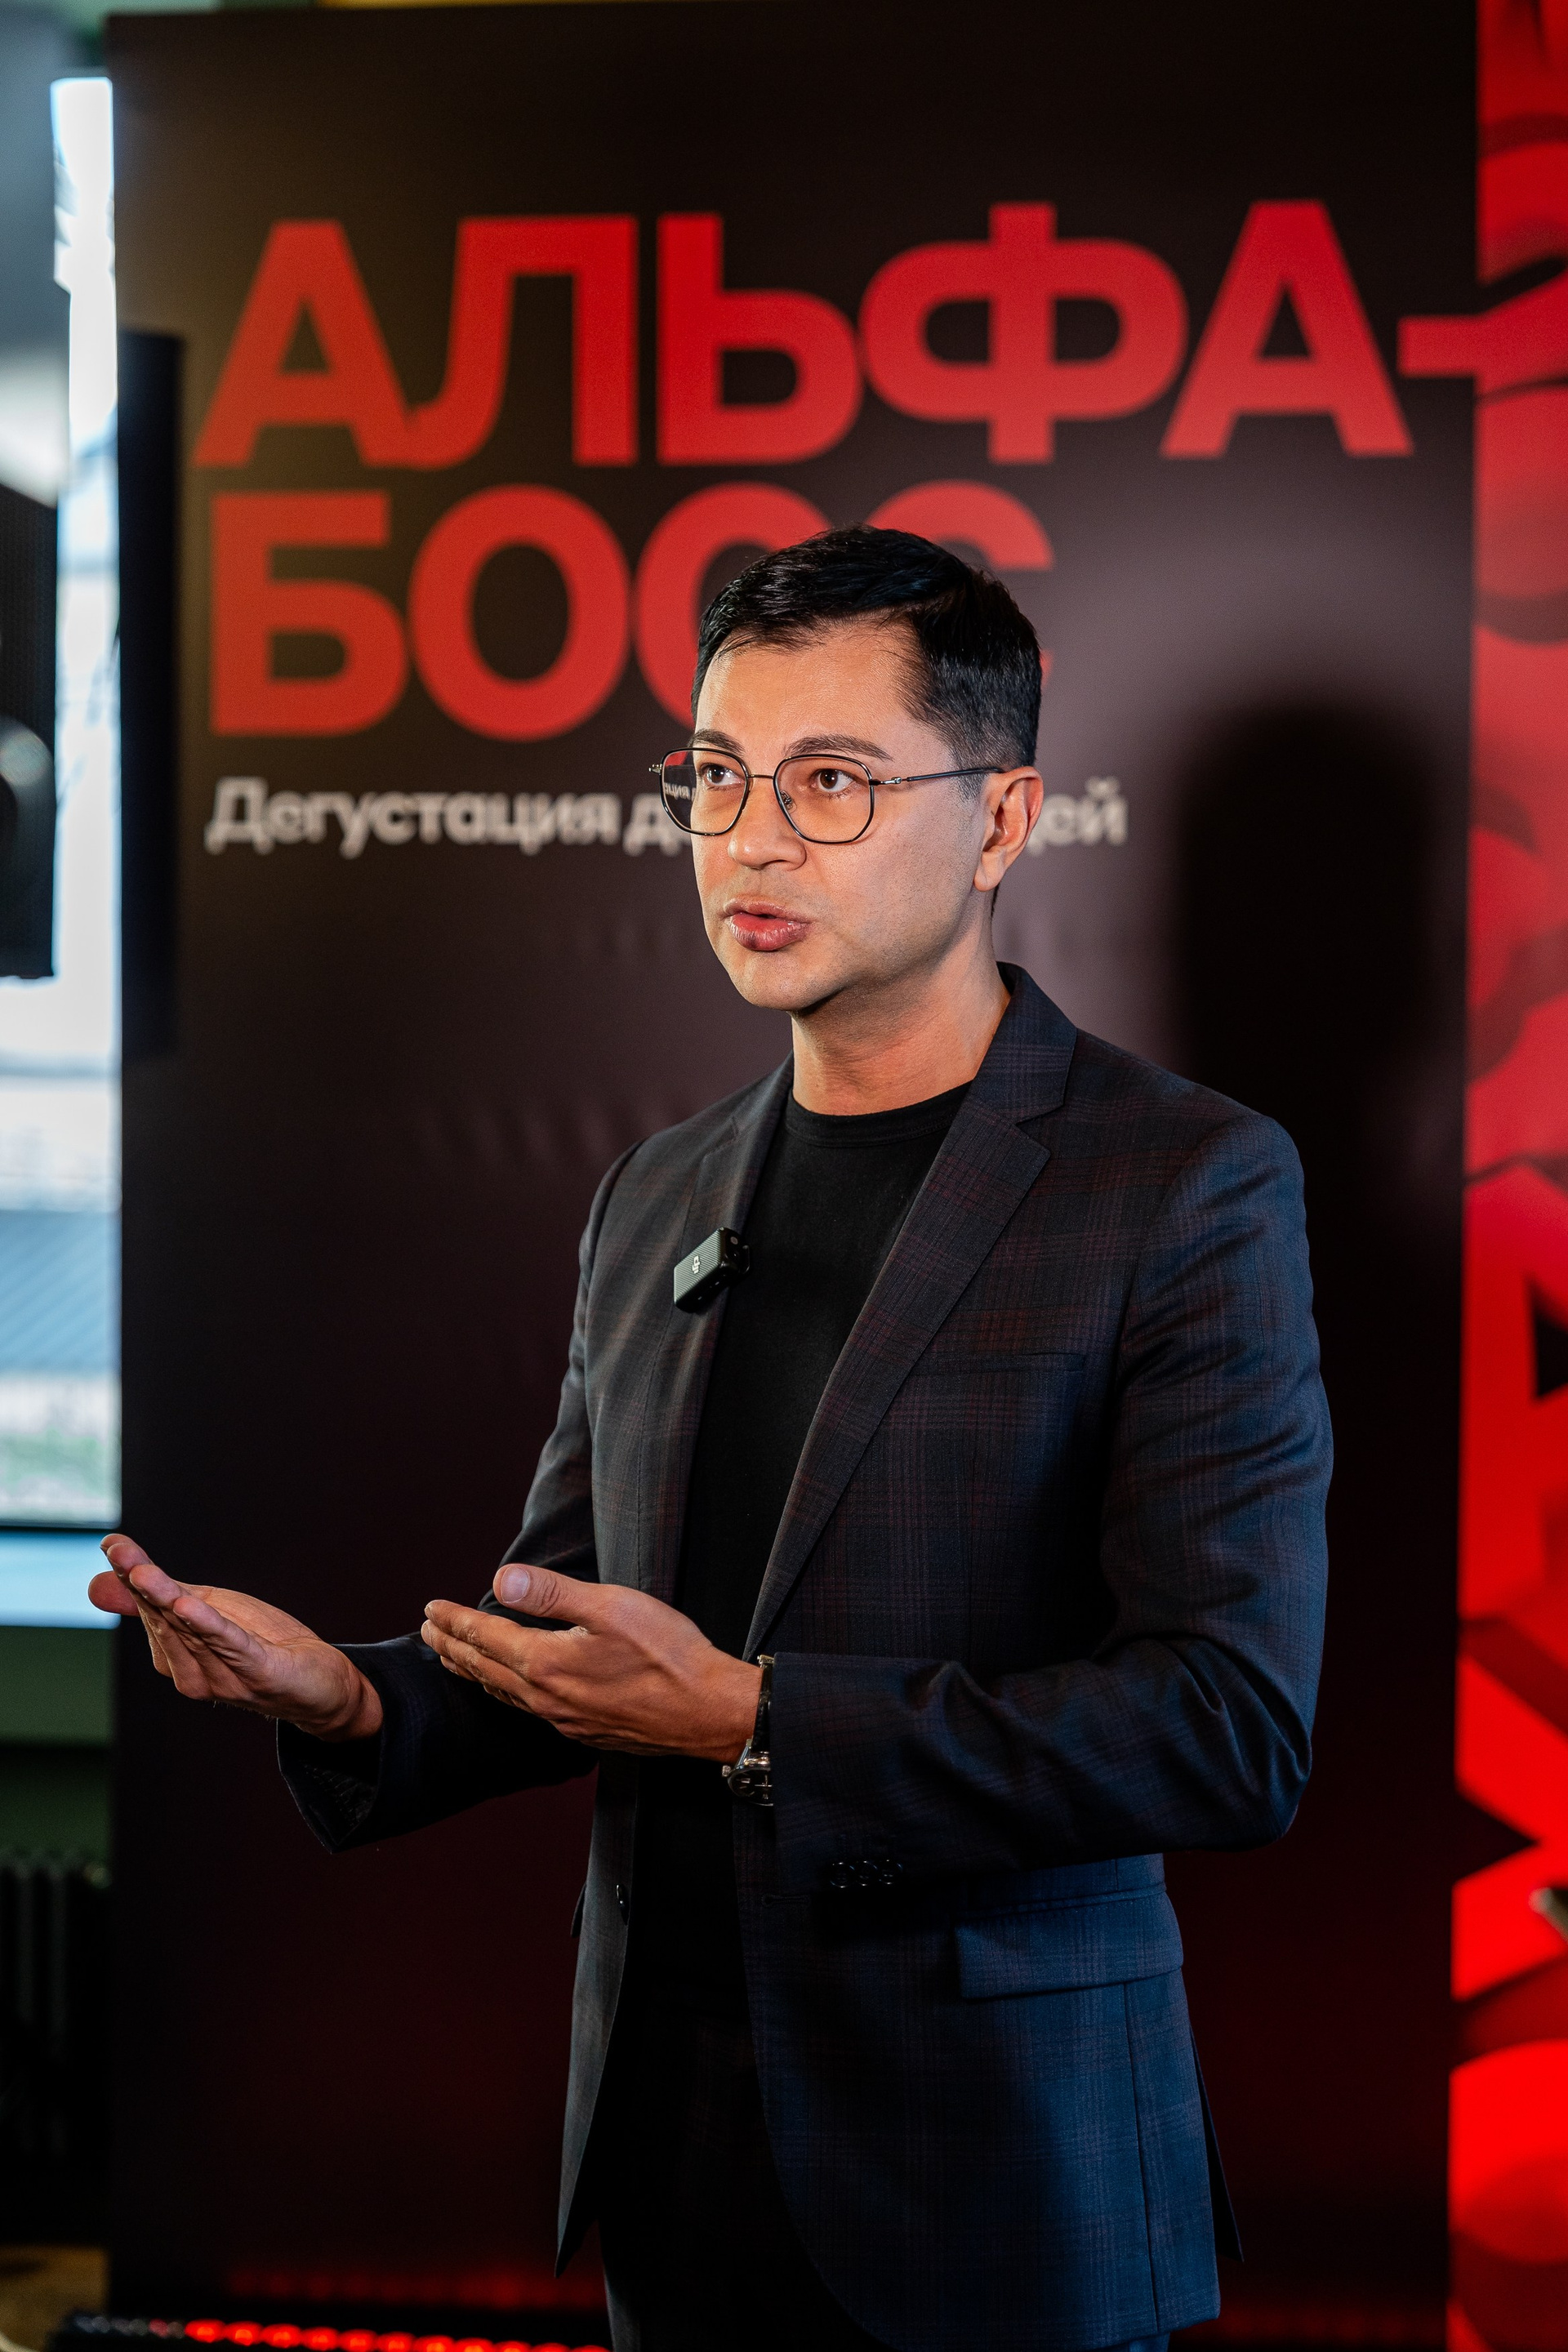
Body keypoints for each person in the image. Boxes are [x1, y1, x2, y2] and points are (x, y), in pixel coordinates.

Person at [91, 528, 1331, 2352]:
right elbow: (574, 1635)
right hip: (671, 2166)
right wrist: (350, 1700)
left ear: (1002, 821)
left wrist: (754, 1722)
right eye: (720, 778)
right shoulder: (656, 1192)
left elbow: (1227, 1728)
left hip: (995, 2181)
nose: (752, 840)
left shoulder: (1181, 1185)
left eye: (831, 783)